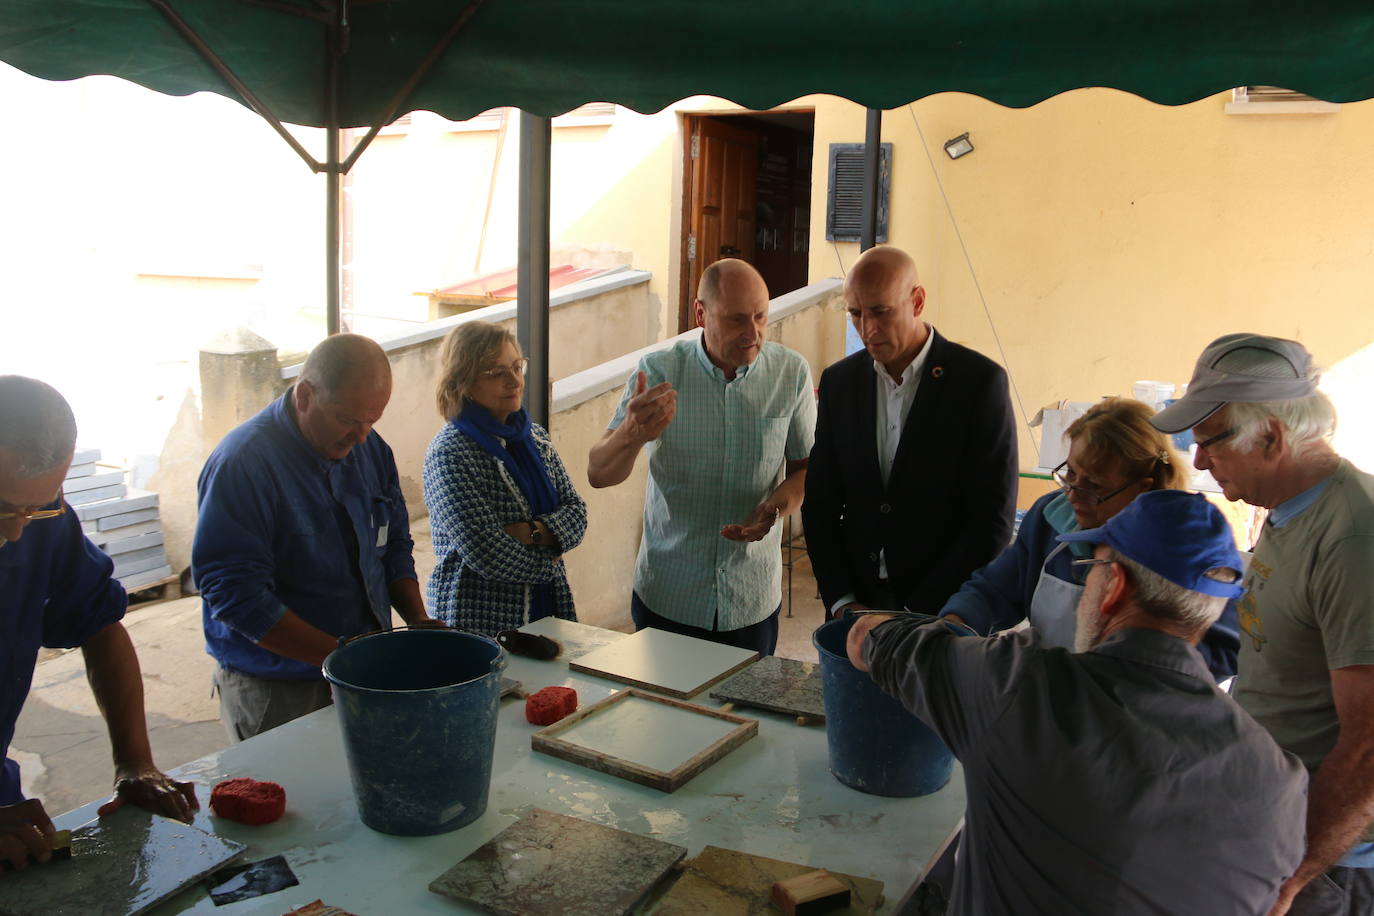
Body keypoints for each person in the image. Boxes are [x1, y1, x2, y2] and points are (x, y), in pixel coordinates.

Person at [847, 490, 1307, 915]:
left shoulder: (1017, 686)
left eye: (1091, 570)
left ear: (1115, 587)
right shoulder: (1279, 783)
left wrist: (878, 629)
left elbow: (871, 639)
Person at [1151, 333, 1374, 915]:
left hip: (1328, 864)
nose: (1198, 460)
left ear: (1271, 436)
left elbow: (1370, 747)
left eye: (1207, 441)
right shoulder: (1287, 511)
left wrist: (1290, 880)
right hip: (1272, 826)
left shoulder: (1354, 536)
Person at [194, 334, 437, 742]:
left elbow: (393, 543)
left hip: (362, 670)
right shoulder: (243, 464)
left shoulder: (371, 449)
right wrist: (339, 657)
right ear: (304, 395)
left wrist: (416, 618)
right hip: (277, 685)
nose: (360, 437)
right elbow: (235, 594)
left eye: (371, 421)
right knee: (291, 800)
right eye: (346, 420)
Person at [0, 377, 197, 873]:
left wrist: (135, 763)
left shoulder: (44, 520)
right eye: (3, 508)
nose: (17, 529)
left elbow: (100, 626)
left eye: (37, 506)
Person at [587, 258, 815, 656]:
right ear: (700, 314)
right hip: (669, 595)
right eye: (736, 320)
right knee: (664, 718)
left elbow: (806, 470)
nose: (753, 333)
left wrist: (775, 509)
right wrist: (630, 434)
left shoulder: (790, 372)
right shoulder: (658, 371)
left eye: (761, 316)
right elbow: (599, 472)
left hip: (751, 598)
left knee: (742, 717)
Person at [939, 396, 1240, 680]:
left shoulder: (1189, 543)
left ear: (1142, 487)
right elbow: (996, 590)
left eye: (1093, 485)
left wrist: (1146, 676)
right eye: (1070, 474)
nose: (1073, 494)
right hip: (1051, 693)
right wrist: (954, 626)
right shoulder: (1051, 517)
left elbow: (1228, 649)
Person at [803, 245, 1016, 620]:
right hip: (855, 611)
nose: (867, 329)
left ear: (917, 301)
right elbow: (820, 503)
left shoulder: (978, 383)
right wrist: (842, 601)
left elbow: (991, 521)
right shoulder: (840, 382)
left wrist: (917, 612)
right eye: (855, 313)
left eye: (881, 312)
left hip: (942, 613)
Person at [423, 322, 587, 635]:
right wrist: (548, 561)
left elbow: (577, 512)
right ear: (465, 382)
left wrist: (532, 533)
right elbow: (486, 553)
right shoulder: (450, 454)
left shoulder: (535, 438)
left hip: (547, 607)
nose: (514, 381)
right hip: (477, 619)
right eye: (496, 372)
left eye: (516, 367)